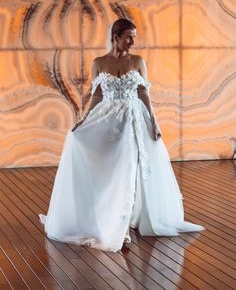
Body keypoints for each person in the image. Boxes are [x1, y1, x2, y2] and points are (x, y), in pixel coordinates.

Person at [39, 18, 204, 252]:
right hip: (107, 119)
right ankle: (109, 219)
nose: (133, 41)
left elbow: (144, 94)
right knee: (111, 170)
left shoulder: (138, 61)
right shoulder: (98, 63)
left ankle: (123, 225)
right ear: (116, 37)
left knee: (130, 169)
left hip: (134, 120)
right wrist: (83, 121)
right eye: (129, 37)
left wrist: (154, 123)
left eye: (134, 36)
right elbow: (96, 97)